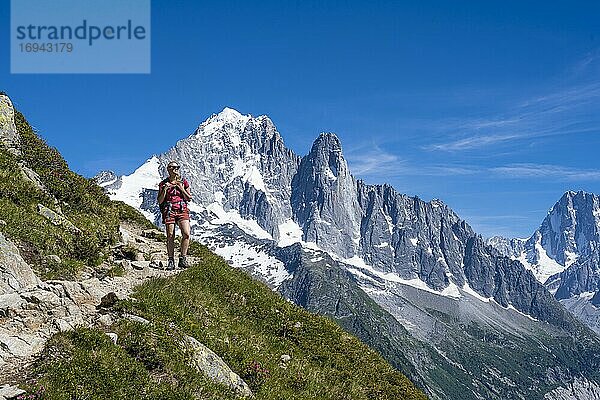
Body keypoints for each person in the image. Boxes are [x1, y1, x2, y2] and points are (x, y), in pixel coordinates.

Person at [157, 161, 193, 270]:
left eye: (177, 167)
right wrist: (165, 190)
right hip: (169, 210)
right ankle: (171, 260)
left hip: (182, 209)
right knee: (170, 235)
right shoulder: (163, 184)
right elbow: (159, 201)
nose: (175, 169)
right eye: (173, 167)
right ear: (168, 169)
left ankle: (183, 258)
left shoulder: (183, 182)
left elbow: (189, 198)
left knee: (186, 234)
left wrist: (181, 188)